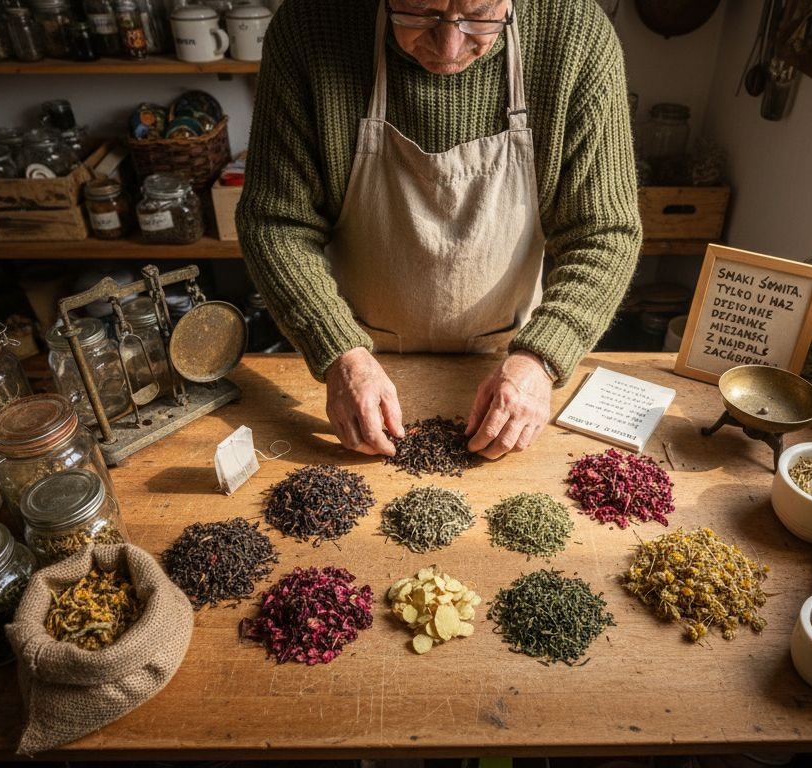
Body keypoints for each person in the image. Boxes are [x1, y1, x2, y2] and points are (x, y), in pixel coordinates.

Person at [237, 0, 640, 459]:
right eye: (420, 13)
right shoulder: (311, 25)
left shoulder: (576, 33)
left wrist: (541, 359)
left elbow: (604, 231)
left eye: (481, 13)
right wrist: (338, 352)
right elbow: (275, 222)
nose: (449, 44)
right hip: (353, 358)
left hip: (509, 361)